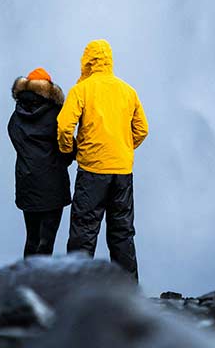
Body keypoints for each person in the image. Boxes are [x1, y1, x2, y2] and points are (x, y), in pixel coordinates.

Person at [57, 39, 148, 280]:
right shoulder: (128, 91)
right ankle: (128, 295)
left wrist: (71, 150)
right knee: (122, 233)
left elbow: (64, 126)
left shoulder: (82, 90)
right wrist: (124, 147)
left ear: (86, 62)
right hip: (122, 172)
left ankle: (77, 291)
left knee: (84, 233)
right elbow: (142, 129)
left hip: (92, 171)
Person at [8, 67, 75, 257]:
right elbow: (69, 147)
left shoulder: (16, 116)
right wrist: (62, 162)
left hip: (26, 183)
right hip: (53, 185)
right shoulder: (57, 115)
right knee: (47, 240)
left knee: (31, 238)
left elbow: (16, 142)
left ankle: (29, 281)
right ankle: (42, 283)